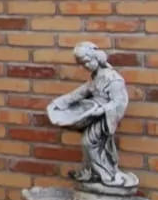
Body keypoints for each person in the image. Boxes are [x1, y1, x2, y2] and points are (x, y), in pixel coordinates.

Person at [45, 42, 135, 190]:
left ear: (97, 58)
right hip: (94, 115)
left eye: (87, 61)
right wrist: (58, 103)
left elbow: (119, 102)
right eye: (82, 64)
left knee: (89, 143)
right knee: (90, 145)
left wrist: (103, 110)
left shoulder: (113, 79)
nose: (85, 66)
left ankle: (107, 175)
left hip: (105, 116)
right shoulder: (95, 78)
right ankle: (93, 173)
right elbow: (79, 93)